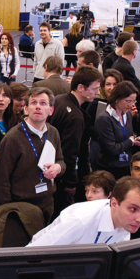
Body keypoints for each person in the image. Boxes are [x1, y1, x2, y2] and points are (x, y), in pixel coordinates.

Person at [0, 87, 65, 223]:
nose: (38, 107)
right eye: (34, 103)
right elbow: (2, 180)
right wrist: (7, 211)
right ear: (26, 109)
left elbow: (61, 161)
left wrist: (58, 168)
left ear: (51, 110)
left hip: (47, 203)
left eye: (43, 103)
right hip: (21, 208)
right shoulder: (12, 138)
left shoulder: (53, 133)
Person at [28, 177, 140, 246]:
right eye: (133, 209)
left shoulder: (127, 224)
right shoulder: (80, 221)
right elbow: (35, 253)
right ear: (114, 204)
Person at [49, 65, 103, 218]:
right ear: (81, 87)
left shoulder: (58, 100)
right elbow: (71, 152)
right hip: (62, 176)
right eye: (95, 89)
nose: (98, 93)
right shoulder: (76, 117)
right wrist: (71, 183)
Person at [92, 81, 140, 179]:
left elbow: (126, 136)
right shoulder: (104, 118)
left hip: (125, 165)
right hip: (109, 168)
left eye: (133, 101)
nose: (131, 105)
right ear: (117, 99)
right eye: (128, 101)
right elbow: (111, 148)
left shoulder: (128, 114)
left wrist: (135, 141)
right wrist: (130, 141)